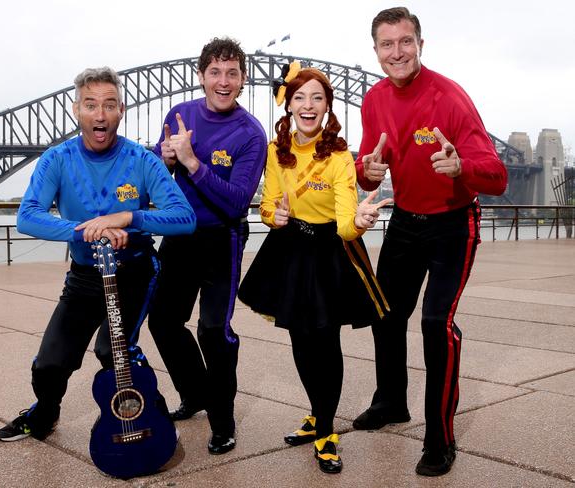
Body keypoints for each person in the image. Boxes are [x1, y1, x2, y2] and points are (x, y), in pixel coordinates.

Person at [0, 66, 196, 442]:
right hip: (86, 275)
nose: (100, 115)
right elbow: (28, 216)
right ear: (77, 110)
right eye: (91, 105)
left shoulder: (142, 160)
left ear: (121, 110)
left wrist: (129, 218)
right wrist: (86, 230)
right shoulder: (58, 159)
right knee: (50, 363)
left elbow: (184, 218)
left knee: (113, 351)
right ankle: (44, 414)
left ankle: (149, 411)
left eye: (109, 105)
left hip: (134, 272)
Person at [353, 7, 508, 477]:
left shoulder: (451, 99)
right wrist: (368, 171)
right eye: (386, 44)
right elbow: (367, 162)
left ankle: (440, 437)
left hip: (452, 223)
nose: (396, 52)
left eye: (405, 42)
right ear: (376, 50)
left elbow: (497, 177)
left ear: (421, 44)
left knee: (436, 322)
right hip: (405, 221)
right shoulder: (374, 98)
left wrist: (462, 167)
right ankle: (390, 402)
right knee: (385, 311)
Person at [238, 64, 392, 474]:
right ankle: (316, 412)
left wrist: (359, 222)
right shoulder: (276, 150)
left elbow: (344, 222)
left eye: (317, 98)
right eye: (300, 97)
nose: (308, 106)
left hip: (330, 252)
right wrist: (276, 215)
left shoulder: (340, 155)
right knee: (301, 340)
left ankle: (325, 430)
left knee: (326, 342)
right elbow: (268, 205)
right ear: (288, 104)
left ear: (327, 107)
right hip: (289, 249)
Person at [147, 37, 267, 455]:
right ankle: (196, 393)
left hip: (224, 238)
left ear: (242, 80)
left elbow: (236, 201)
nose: (223, 80)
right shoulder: (179, 115)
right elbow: (158, 180)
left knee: (214, 331)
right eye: (214, 71)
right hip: (181, 235)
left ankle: (223, 421)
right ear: (201, 76)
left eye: (232, 72)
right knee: (162, 321)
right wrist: (164, 161)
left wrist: (193, 163)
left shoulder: (251, 134)